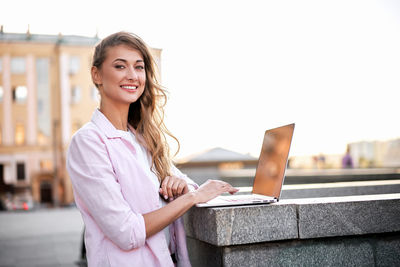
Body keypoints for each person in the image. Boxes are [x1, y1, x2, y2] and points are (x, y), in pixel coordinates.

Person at [66, 31, 238, 267]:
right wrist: (193, 197)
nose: (132, 76)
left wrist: (181, 187)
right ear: (96, 74)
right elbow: (127, 232)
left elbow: (185, 182)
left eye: (139, 67)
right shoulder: (88, 142)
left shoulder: (143, 138)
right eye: (120, 66)